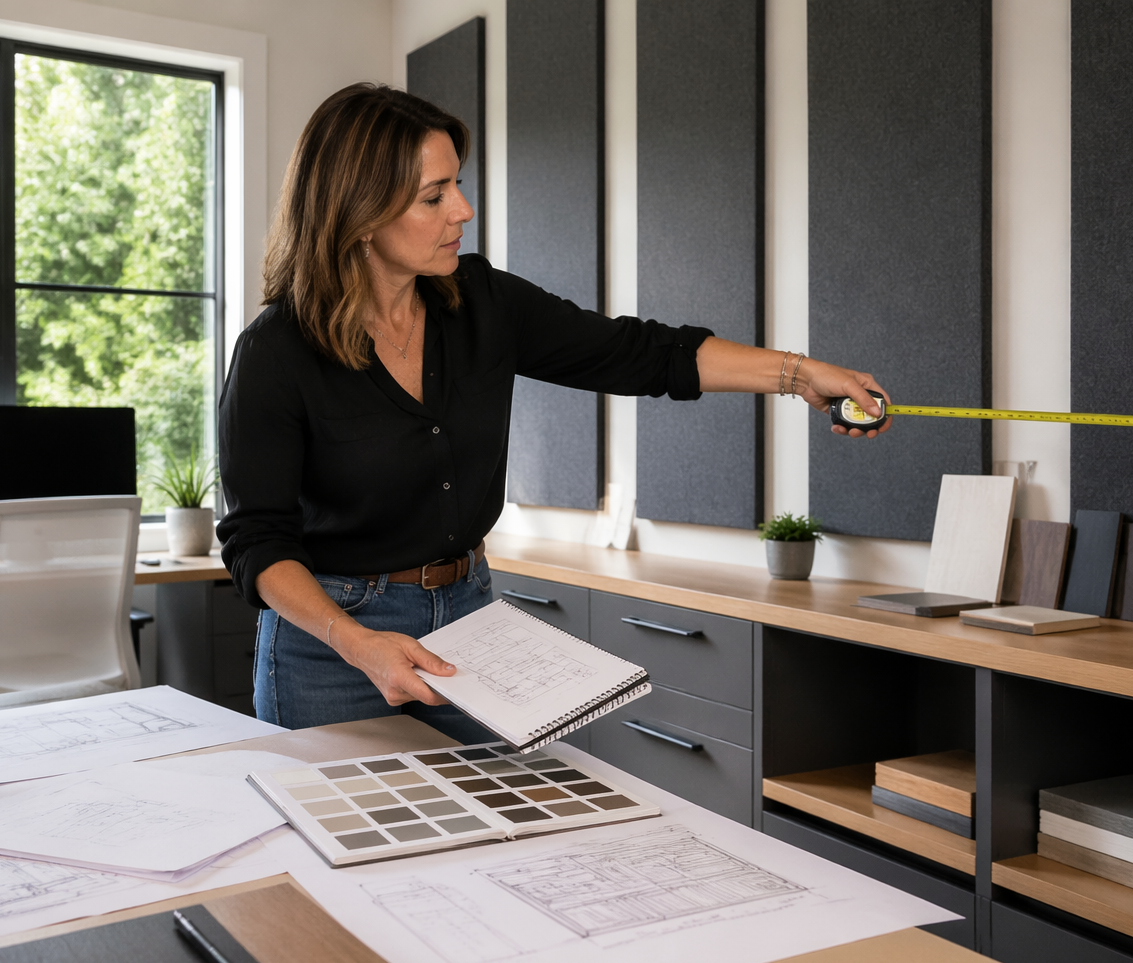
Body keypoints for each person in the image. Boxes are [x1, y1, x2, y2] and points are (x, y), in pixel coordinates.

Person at [218, 83, 890, 741]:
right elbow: (258, 542)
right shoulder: (276, 353)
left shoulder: (481, 302)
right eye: (435, 196)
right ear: (358, 215)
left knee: (499, 839)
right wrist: (357, 642)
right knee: (350, 841)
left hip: (468, 622)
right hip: (332, 644)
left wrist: (799, 374)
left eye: (458, 183)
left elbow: (642, 354)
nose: (464, 210)